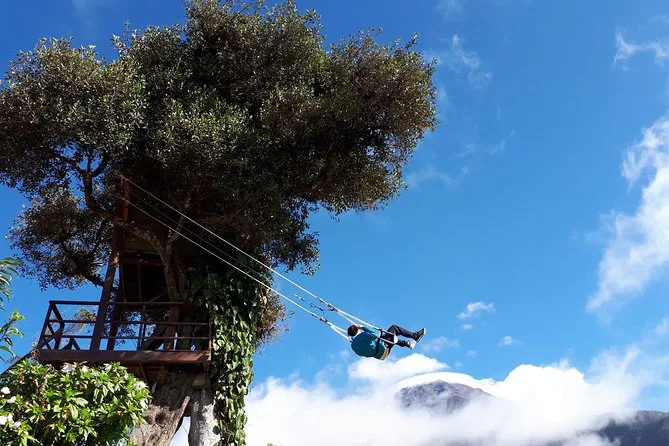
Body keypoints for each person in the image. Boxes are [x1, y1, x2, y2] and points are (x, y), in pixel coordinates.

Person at [347, 324, 426, 360]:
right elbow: (375, 335)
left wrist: (353, 341)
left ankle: (407, 344)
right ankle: (415, 336)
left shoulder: (353, 346)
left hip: (380, 356)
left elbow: (365, 352)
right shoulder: (362, 336)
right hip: (383, 348)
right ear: (358, 330)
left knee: (389, 337)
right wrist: (363, 327)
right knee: (394, 328)